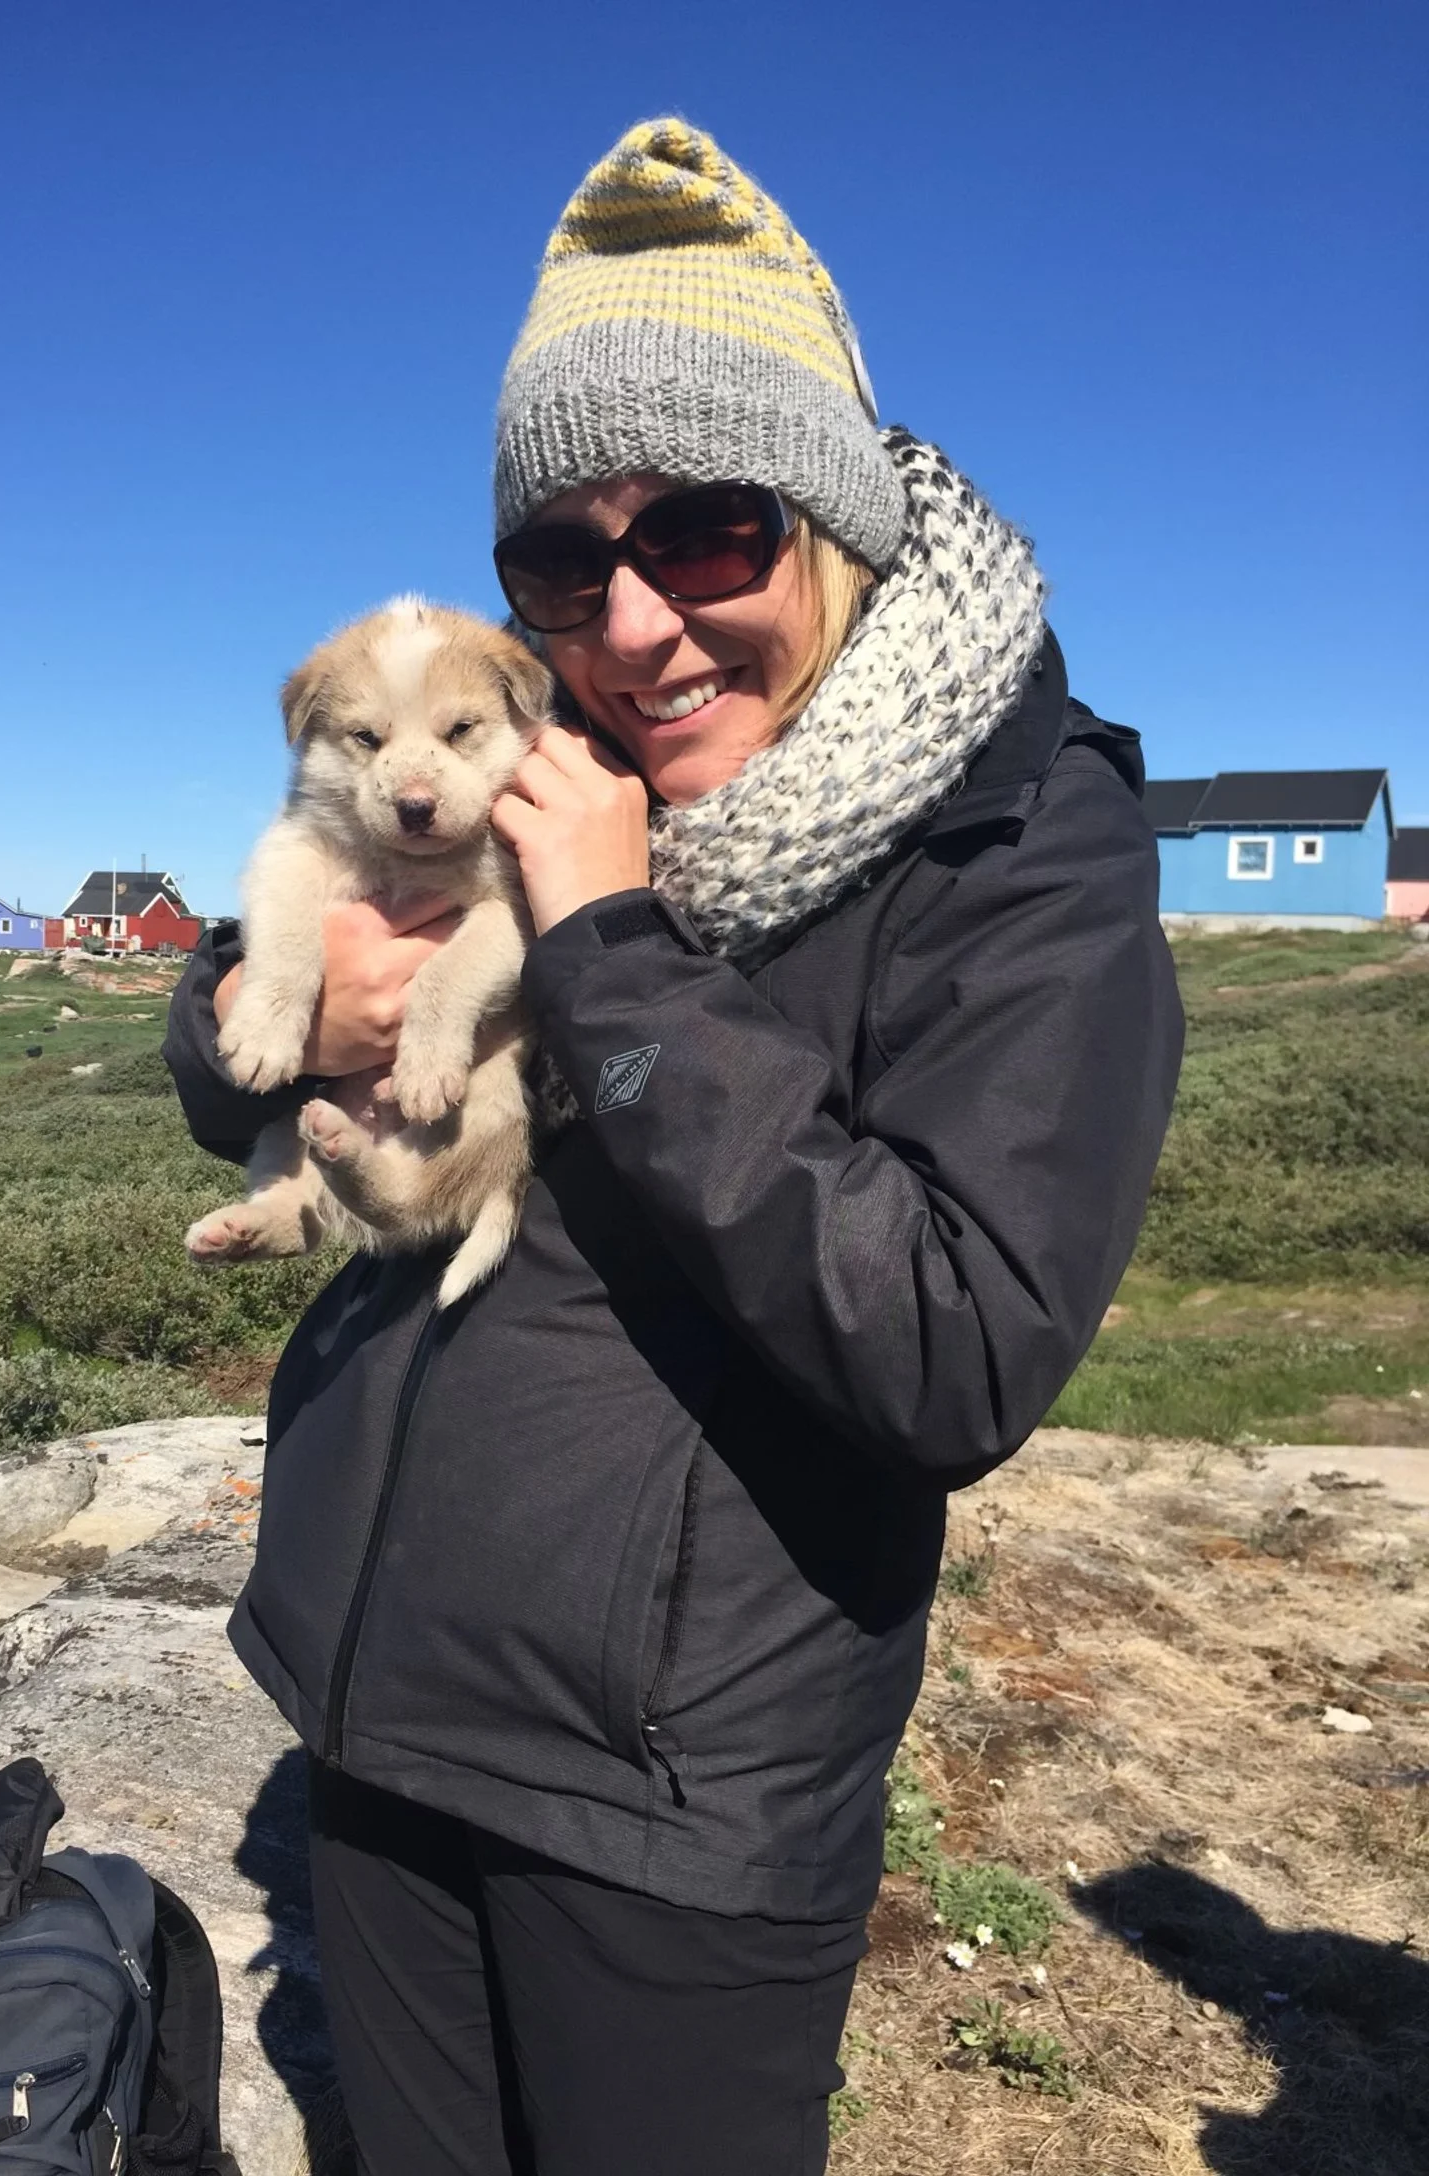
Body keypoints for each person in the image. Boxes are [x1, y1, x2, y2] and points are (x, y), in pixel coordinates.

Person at [164, 118, 1183, 2176]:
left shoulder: (1015, 833)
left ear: (835, 523)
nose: (636, 627)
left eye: (712, 532)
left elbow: (958, 1339)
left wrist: (620, 954)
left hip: (669, 1799)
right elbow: (229, 1001)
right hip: (368, 1699)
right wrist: (257, 1018)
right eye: (564, 558)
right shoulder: (514, 750)